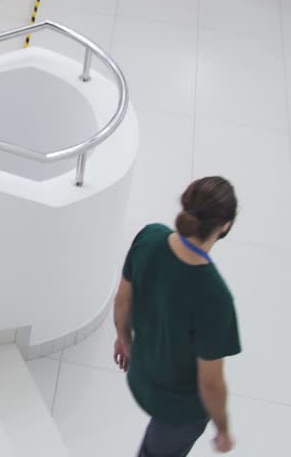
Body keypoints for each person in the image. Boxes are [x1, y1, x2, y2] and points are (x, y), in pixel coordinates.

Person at [112, 176, 242, 456]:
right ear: (225, 226)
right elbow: (210, 383)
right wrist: (223, 428)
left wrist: (123, 340)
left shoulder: (149, 238)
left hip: (140, 375)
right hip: (179, 408)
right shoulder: (215, 298)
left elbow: (122, 301)